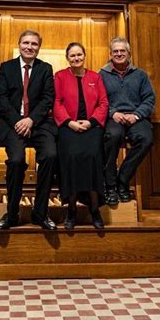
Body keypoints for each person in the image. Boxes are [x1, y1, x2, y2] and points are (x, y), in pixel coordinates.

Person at [0, 30, 57, 231]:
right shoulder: (6, 67)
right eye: (26, 43)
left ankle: (40, 213)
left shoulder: (45, 68)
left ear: (39, 47)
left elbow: (48, 98)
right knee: (16, 160)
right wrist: (18, 121)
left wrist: (30, 120)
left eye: (34, 44)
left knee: (50, 156)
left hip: (39, 123)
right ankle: (12, 213)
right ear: (19, 44)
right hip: (13, 124)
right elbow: (2, 99)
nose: (30, 47)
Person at [54, 43, 109, 230]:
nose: (76, 58)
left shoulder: (96, 77)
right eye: (72, 56)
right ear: (67, 58)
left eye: (79, 55)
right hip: (68, 126)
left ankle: (95, 209)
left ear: (84, 56)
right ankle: (71, 210)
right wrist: (70, 122)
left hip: (92, 126)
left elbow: (103, 103)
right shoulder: (60, 76)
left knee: (93, 156)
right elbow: (57, 102)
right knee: (71, 158)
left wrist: (91, 122)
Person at [99, 37, 155, 206]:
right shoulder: (101, 75)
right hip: (113, 118)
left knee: (146, 139)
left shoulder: (140, 75)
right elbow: (98, 100)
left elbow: (149, 99)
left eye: (122, 51)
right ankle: (110, 186)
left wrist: (137, 115)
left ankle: (122, 180)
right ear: (110, 54)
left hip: (136, 118)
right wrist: (112, 113)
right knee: (111, 136)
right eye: (115, 51)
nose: (119, 54)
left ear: (129, 54)